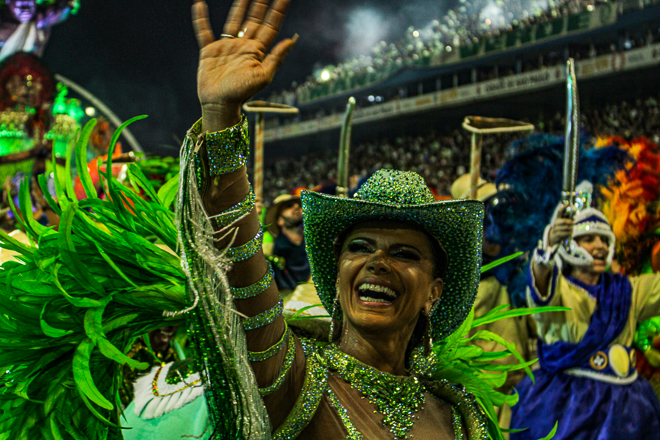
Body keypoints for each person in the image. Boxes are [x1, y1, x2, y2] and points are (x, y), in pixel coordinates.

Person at [510, 197, 660, 440]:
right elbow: (539, 281)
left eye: (604, 240)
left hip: (627, 407)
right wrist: (549, 245)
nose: (599, 246)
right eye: (588, 239)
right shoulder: (559, 290)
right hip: (567, 403)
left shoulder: (627, 291)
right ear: (570, 247)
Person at [265, 194, 310, 292]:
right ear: (280, 221)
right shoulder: (269, 252)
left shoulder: (314, 247)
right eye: (289, 206)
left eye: (299, 205)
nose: (297, 207)